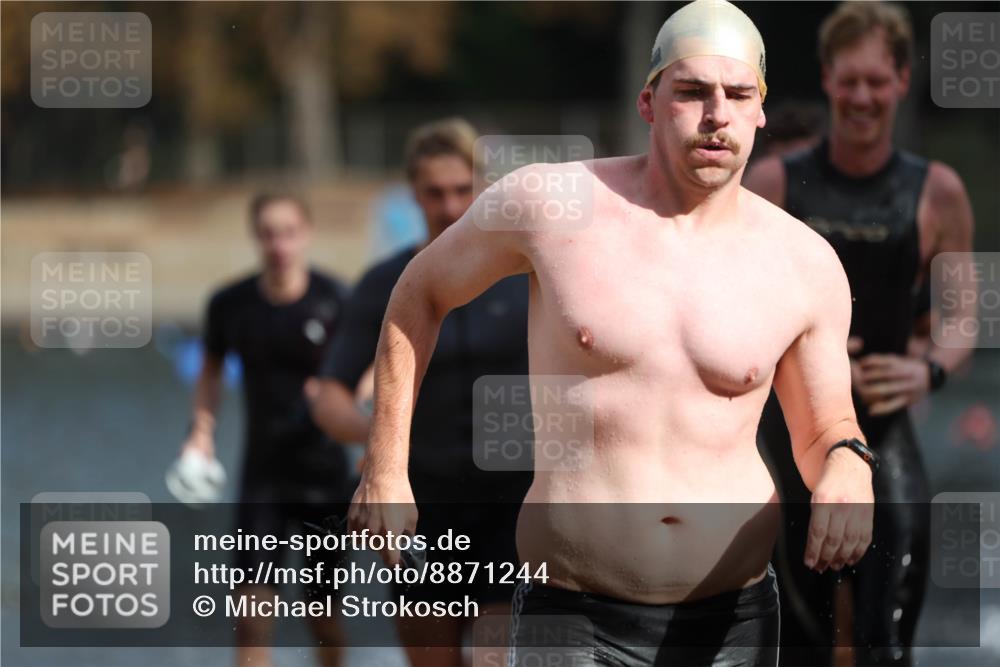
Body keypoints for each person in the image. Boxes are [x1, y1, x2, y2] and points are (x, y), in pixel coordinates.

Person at [349, 1, 877, 665]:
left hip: (731, 622)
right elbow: (418, 293)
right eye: (692, 91)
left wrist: (849, 468)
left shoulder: (802, 262)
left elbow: (826, 427)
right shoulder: (553, 205)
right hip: (571, 612)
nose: (717, 115)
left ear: (761, 109)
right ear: (649, 102)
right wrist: (387, 467)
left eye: (738, 94)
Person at [744, 3, 977, 665]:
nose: (862, 96)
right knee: (796, 642)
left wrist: (926, 369)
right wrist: (799, 348)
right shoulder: (775, 182)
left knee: (885, 638)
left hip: (887, 428)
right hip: (790, 440)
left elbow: (962, 317)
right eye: (849, 80)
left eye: (877, 80)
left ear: (902, 81)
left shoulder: (938, 192)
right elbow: (734, 303)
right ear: (826, 78)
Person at [305, 118, 533, 667]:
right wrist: (384, 439)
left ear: (482, 189)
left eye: (462, 190)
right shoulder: (388, 282)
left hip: (515, 504)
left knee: (493, 658)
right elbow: (328, 396)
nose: (450, 206)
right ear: (413, 194)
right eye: (434, 193)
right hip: (425, 509)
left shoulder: (526, 275)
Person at [180, 193, 353, 667]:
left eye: (289, 232)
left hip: (325, 474)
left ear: (307, 233)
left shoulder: (335, 298)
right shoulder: (230, 304)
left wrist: (342, 394)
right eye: (269, 233)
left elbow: (376, 368)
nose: (279, 244)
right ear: (257, 236)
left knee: (322, 617)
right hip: (264, 476)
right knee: (252, 615)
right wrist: (201, 431)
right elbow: (210, 371)